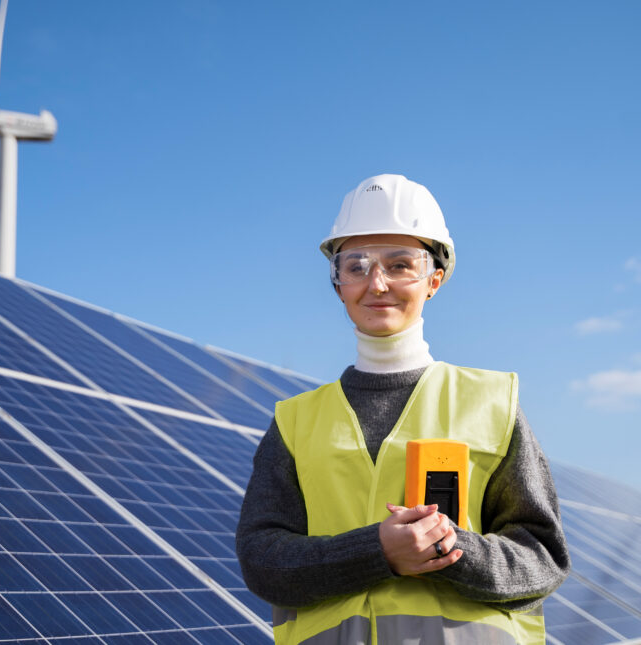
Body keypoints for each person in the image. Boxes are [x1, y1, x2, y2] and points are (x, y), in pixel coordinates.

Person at [236, 174, 570, 645]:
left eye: (400, 265)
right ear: (337, 283)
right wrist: (378, 551)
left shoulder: (492, 403)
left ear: (433, 280)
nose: (377, 284)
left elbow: (542, 556)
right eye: (356, 265)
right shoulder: (295, 422)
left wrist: (447, 550)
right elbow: (263, 561)